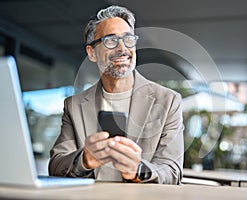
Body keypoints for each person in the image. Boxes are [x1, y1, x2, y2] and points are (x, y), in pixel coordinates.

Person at [48, 5, 184, 184]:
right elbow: (56, 165)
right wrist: (84, 160)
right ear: (92, 53)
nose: (123, 49)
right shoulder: (73, 106)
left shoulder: (168, 101)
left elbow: (173, 171)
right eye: (111, 41)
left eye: (128, 39)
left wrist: (138, 170)